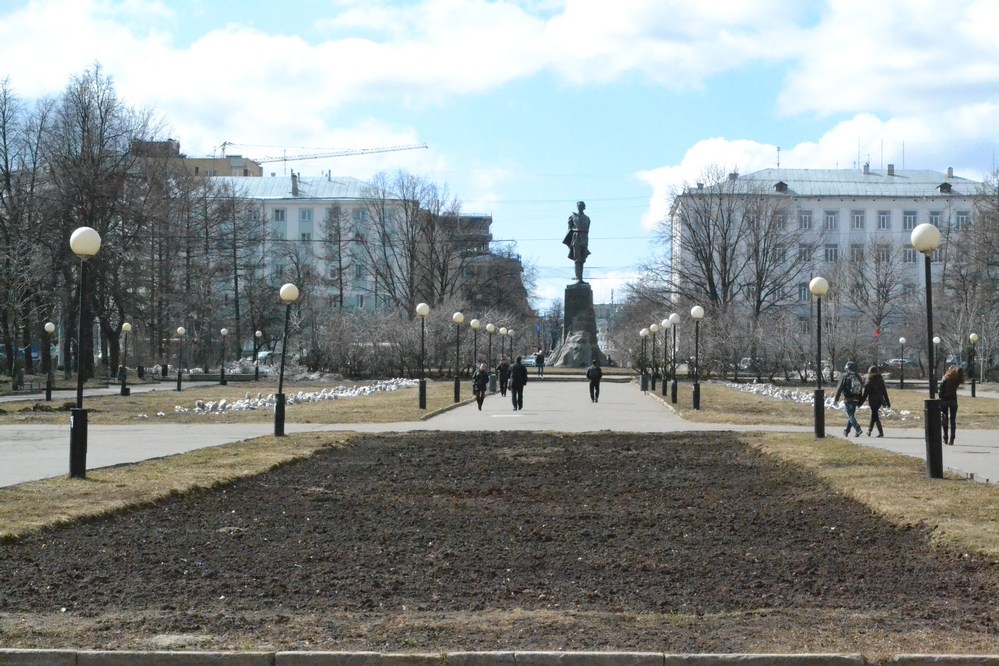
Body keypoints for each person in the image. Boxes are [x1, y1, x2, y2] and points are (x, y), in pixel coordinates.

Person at [834, 361, 865, 437]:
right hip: (856, 399)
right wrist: (860, 401)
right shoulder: (858, 376)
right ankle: (846, 431)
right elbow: (860, 389)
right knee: (851, 415)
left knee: (850, 415)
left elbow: (839, 388)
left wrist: (836, 399)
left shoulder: (844, 375)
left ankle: (858, 429)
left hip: (848, 399)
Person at [562, 200, 591, 282]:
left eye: (581, 206)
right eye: (578, 206)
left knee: (583, 259)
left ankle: (581, 279)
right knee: (577, 259)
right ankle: (578, 279)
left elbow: (587, 229)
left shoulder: (587, 218)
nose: (580, 207)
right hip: (576, 238)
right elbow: (569, 230)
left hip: (584, 238)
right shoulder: (572, 217)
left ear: (584, 207)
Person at [861, 365, 891, 437]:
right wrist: (887, 402)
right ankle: (870, 431)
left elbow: (865, 394)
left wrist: (860, 402)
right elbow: (885, 392)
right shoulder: (881, 380)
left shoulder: (869, 381)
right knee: (874, 415)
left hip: (872, 400)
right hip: (880, 401)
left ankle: (879, 432)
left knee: (875, 415)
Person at [939, 365, 963, 445]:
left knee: (944, 419)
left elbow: (941, 389)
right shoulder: (957, 379)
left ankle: (945, 436)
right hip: (953, 400)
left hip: (945, 400)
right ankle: (952, 437)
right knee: (953, 420)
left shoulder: (945, 377)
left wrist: (940, 397)